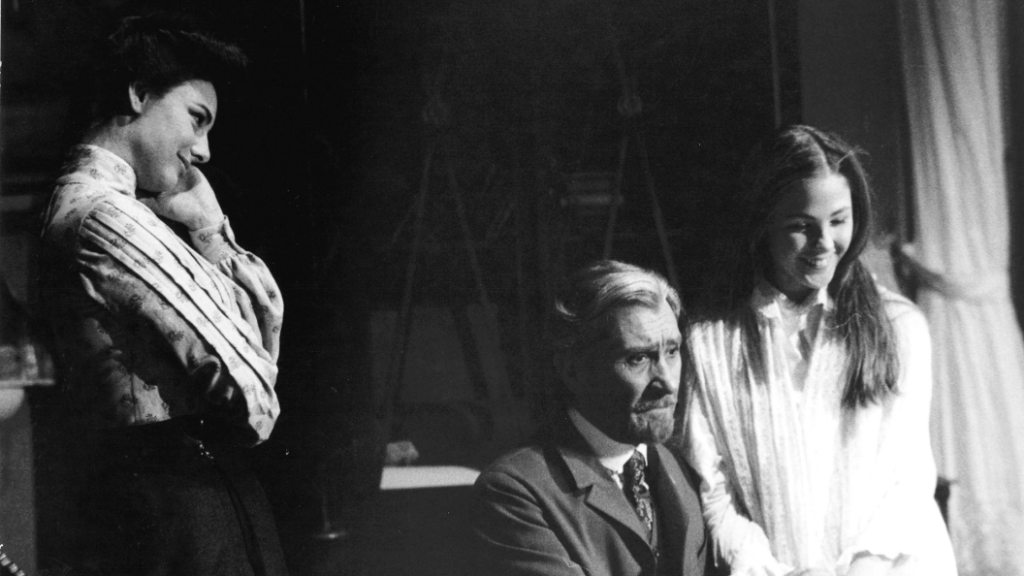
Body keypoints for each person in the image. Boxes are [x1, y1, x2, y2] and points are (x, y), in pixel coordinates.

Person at [38, 13, 287, 576]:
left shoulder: (90, 208)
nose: (203, 150)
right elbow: (253, 393)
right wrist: (212, 233)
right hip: (182, 506)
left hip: (174, 499)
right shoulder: (107, 218)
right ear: (139, 93)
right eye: (196, 119)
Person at [682, 125, 956, 576]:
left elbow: (907, 478)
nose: (824, 244)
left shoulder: (898, 327)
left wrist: (862, 567)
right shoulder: (709, 342)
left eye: (838, 220)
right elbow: (713, 492)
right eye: (801, 226)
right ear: (762, 224)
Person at [473, 260, 707, 576]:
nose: (668, 382)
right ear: (572, 370)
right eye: (638, 358)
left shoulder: (675, 467)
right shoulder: (514, 491)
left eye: (672, 351)